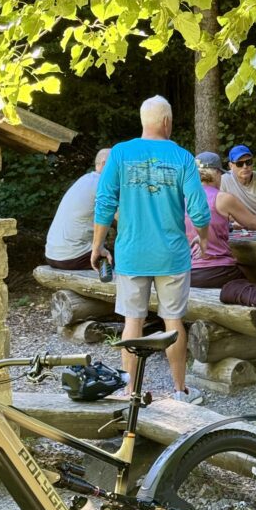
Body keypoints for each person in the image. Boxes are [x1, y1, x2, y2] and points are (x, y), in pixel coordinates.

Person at [91, 96, 210, 403]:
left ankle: (130, 390)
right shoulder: (182, 157)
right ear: (167, 122)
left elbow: (105, 203)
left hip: (132, 253)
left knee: (133, 320)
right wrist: (204, 236)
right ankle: (181, 391)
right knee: (173, 321)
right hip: (172, 254)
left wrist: (97, 246)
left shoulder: (120, 153)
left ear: (143, 121)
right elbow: (198, 209)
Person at [186, 152, 256, 286]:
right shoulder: (222, 198)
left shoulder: (183, 198)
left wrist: (230, 226)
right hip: (218, 270)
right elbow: (254, 224)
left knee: (243, 269)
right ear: (216, 173)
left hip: (189, 273)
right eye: (221, 174)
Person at [45, 148, 111, 270]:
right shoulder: (103, 184)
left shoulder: (85, 180)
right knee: (124, 261)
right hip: (73, 257)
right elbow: (122, 219)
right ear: (104, 163)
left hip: (52, 254)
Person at [220, 144, 256, 220]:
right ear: (231, 166)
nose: (245, 166)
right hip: (237, 227)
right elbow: (221, 212)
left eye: (248, 162)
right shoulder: (223, 180)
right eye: (239, 164)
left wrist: (247, 222)